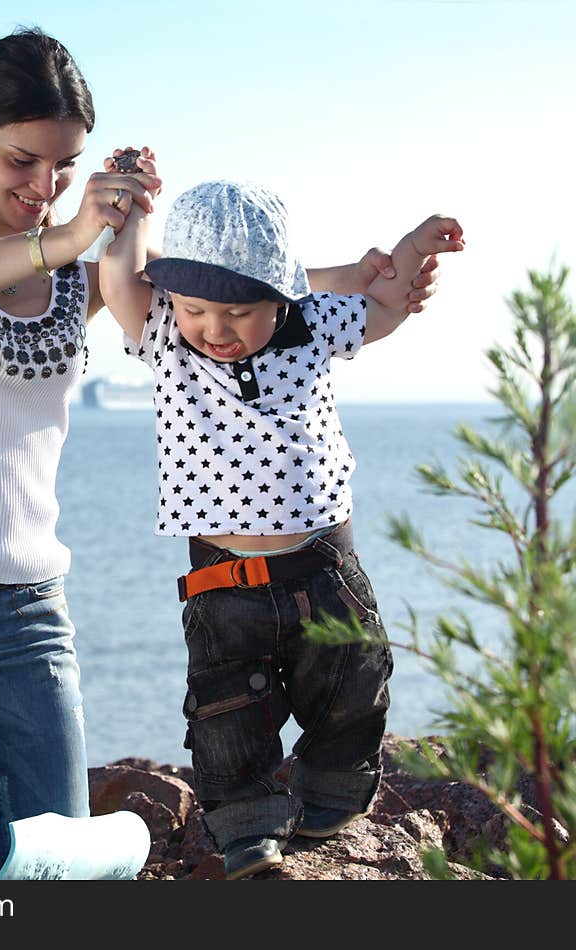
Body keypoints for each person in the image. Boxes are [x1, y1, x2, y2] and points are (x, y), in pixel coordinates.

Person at [0, 29, 440, 880]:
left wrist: (369, 276)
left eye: (65, 169)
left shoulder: (80, 277)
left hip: (21, 610)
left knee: (49, 859)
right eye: (22, 161)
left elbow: (220, 287)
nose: (43, 189)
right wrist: (72, 232)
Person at [99, 167, 464, 879]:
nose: (215, 330)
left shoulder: (315, 322)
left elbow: (387, 304)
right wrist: (135, 209)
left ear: (281, 294)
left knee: (352, 681)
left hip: (324, 562)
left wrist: (412, 249)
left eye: (238, 313)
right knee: (227, 713)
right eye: (199, 310)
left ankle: (329, 800)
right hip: (222, 578)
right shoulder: (167, 335)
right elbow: (120, 279)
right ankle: (249, 841)